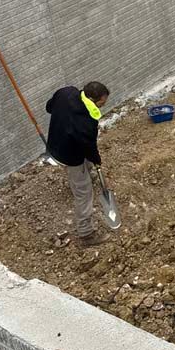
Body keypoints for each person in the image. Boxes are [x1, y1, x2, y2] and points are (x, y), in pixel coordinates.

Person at [46, 81, 110, 247]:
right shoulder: (86, 122)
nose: (104, 105)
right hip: (70, 155)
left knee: (86, 162)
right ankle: (86, 233)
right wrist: (97, 160)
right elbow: (88, 146)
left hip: (55, 143)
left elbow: (49, 107)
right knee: (84, 193)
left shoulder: (66, 92)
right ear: (92, 99)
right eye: (102, 102)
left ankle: (86, 174)